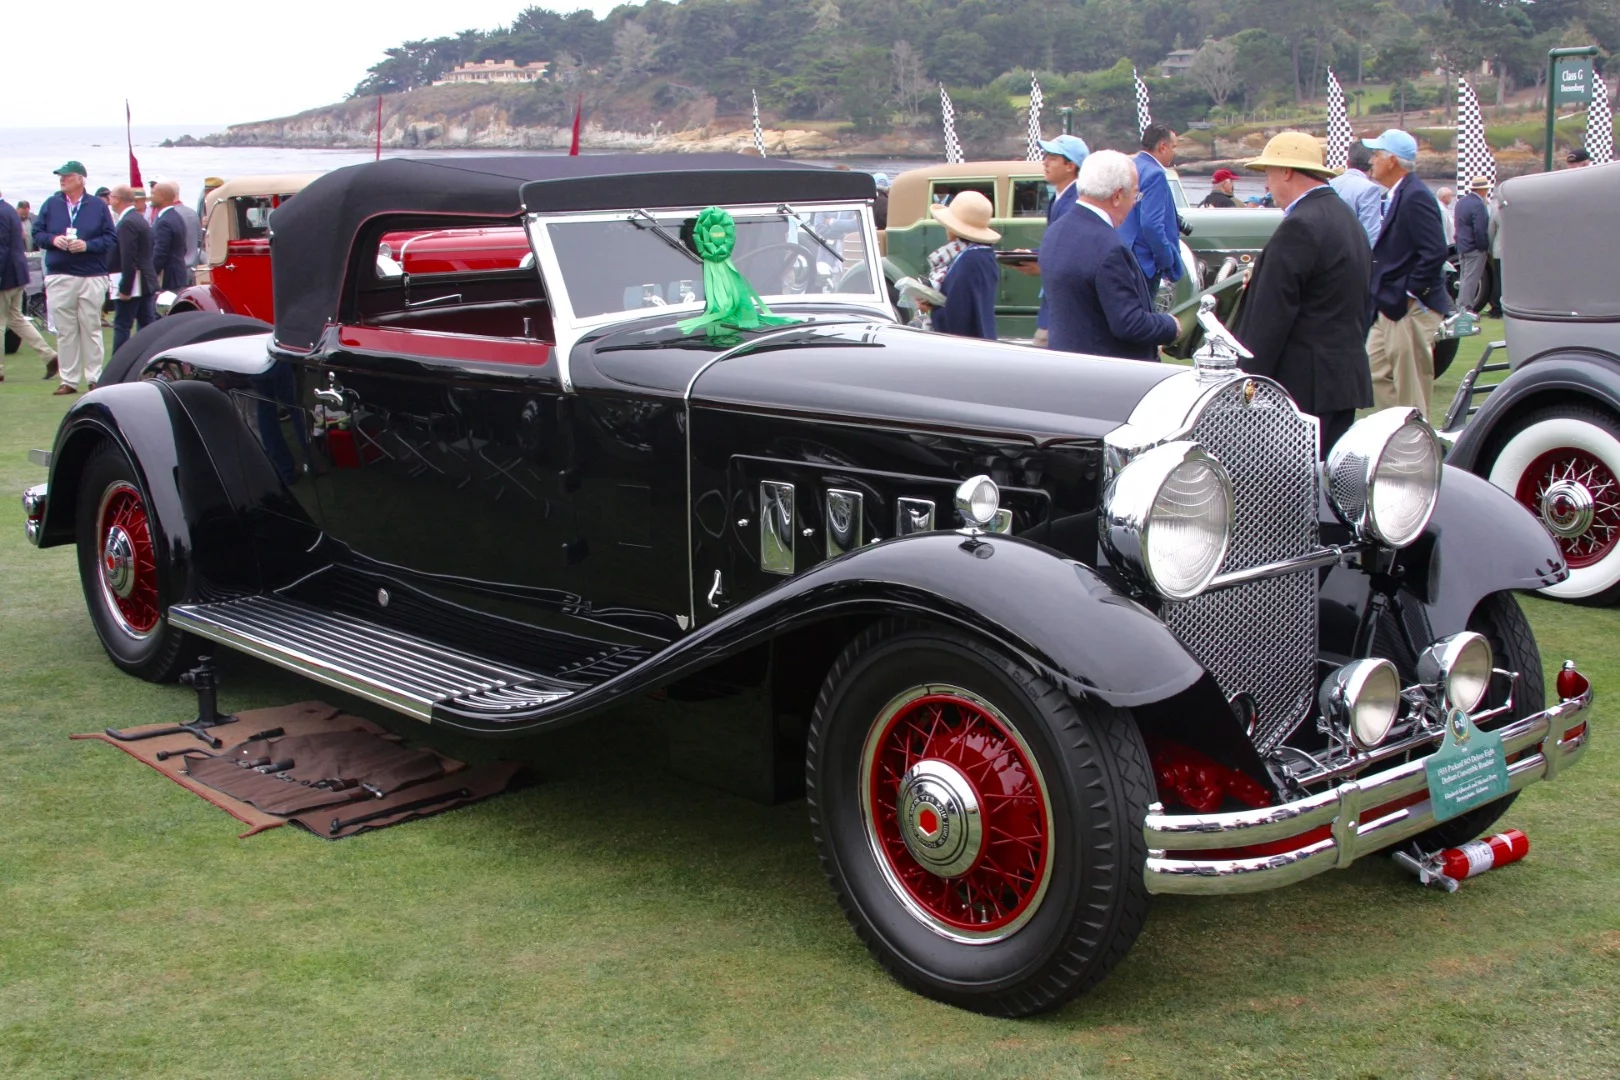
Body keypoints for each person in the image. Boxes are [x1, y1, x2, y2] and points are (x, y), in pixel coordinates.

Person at [1229, 133, 1372, 456]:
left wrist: (1247, 383)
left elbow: (1270, 317)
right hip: (1340, 378)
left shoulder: (1301, 225)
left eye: (1268, 174)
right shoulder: (1345, 217)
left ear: (1287, 172)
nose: (1267, 185)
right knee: (1324, 483)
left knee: (1290, 488)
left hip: (1302, 385)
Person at [1042, 149, 1179, 361]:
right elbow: (1129, 323)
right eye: (1135, 194)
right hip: (1107, 373)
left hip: (1066, 360)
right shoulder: (1109, 248)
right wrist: (1171, 325)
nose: (1135, 202)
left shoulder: (1056, 231)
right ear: (1117, 196)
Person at [1361, 129, 1451, 416]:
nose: (1371, 160)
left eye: (1376, 154)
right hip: (1391, 303)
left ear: (1392, 161)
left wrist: (1411, 292)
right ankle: (1398, 434)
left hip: (1409, 307)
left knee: (1410, 386)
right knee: (1374, 371)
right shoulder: (1401, 194)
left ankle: (1414, 448)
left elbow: (1435, 251)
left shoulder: (1415, 196)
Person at [33, 160, 117, 393]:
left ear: (80, 178)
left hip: (91, 274)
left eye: (67, 176)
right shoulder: (51, 204)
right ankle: (68, 380)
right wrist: (52, 240)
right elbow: (37, 233)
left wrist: (87, 245)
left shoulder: (97, 206)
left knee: (91, 327)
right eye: (61, 176)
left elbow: (111, 238)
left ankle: (94, 377)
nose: (62, 179)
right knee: (65, 329)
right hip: (60, 274)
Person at [1020, 133, 1090, 347]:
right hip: (1054, 299)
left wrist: (1040, 262)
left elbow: (1072, 252)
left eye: (1052, 157)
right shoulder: (1058, 198)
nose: (1045, 161)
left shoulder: (1076, 201)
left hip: (1065, 304)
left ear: (1070, 166)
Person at [922, 190, 1000, 340]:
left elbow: (956, 314)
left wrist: (932, 307)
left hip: (963, 348)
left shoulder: (968, 260)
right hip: (981, 340)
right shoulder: (984, 254)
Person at [1118, 124, 1184, 297]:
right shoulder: (1155, 174)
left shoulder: (1130, 166)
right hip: (1144, 262)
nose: (1174, 152)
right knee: (1144, 318)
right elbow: (1151, 225)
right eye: (1173, 147)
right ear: (1162, 147)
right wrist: (1166, 260)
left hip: (1122, 255)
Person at [1, 190, 60, 382]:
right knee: (16, 318)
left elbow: (1, 248)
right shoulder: (9, 210)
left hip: (5, 275)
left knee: (2, 322)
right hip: (17, 274)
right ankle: (49, 355)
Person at [106, 184, 158, 353]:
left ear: (118, 199)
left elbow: (128, 257)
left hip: (134, 282)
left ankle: (119, 364)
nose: (109, 200)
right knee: (146, 325)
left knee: (122, 325)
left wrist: (125, 288)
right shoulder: (138, 218)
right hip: (144, 280)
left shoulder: (128, 222)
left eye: (111, 196)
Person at [1329, 142, 1384, 247]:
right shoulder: (1370, 189)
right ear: (1372, 164)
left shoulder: (1330, 184)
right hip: (1354, 256)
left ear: (1348, 163)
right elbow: (1370, 233)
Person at [1453, 177, 1492, 313]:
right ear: (1483, 189)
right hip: (1474, 247)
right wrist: (1483, 246)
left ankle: (1461, 306)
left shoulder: (1461, 202)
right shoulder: (1478, 205)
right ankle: (1465, 308)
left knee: (1464, 278)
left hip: (1462, 246)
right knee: (1471, 279)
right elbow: (1480, 229)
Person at [150, 180, 191, 292]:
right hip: (178, 274)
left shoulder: (164, 221)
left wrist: (151, 275)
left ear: (162, 196)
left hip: (169, 277)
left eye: (153, 194)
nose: (151, 197)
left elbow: (160, 252)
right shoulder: (176, 217)